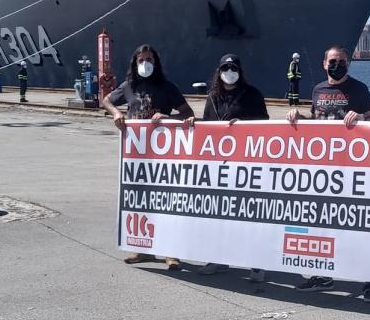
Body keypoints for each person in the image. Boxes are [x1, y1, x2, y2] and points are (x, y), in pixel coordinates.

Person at [286, 46, 370, 301]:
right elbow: (318, 119)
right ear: (324, 63)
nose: (337, 64)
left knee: (360, 225)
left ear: (348, 63)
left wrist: (361, 117)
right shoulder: (318, 90)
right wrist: (300, 117)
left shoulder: (358, 89)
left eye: (341, 61)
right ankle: (322, 274)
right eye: (333, 61)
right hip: (325, 170)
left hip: (352, 167)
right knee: (323, 225)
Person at [103, 44, 196, 270]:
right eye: (142, 59)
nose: (146, 63)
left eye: (150, 59)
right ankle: (143, 250)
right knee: (141, 200)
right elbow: (106, 100)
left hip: (165, 155)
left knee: (167, 201)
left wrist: (167, 116)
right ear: (135, 63)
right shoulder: (129, 86)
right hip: (138, 155)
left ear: (156, 63)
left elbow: (188, 113)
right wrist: (117, 113)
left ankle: (171, 252)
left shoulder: (167, 87)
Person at [197, 54, 271, 280]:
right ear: (219, 71)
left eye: (233, 67)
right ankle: (218, 258)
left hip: (246, 165)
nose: (229, 71)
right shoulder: (213, 97)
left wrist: (244, 127)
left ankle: (257, 262)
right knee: (219, 215)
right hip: (219, 165)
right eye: (225, 67)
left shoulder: (252, 94)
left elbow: (266, 125)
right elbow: (207, 127)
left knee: (248, 215)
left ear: (240, 70)